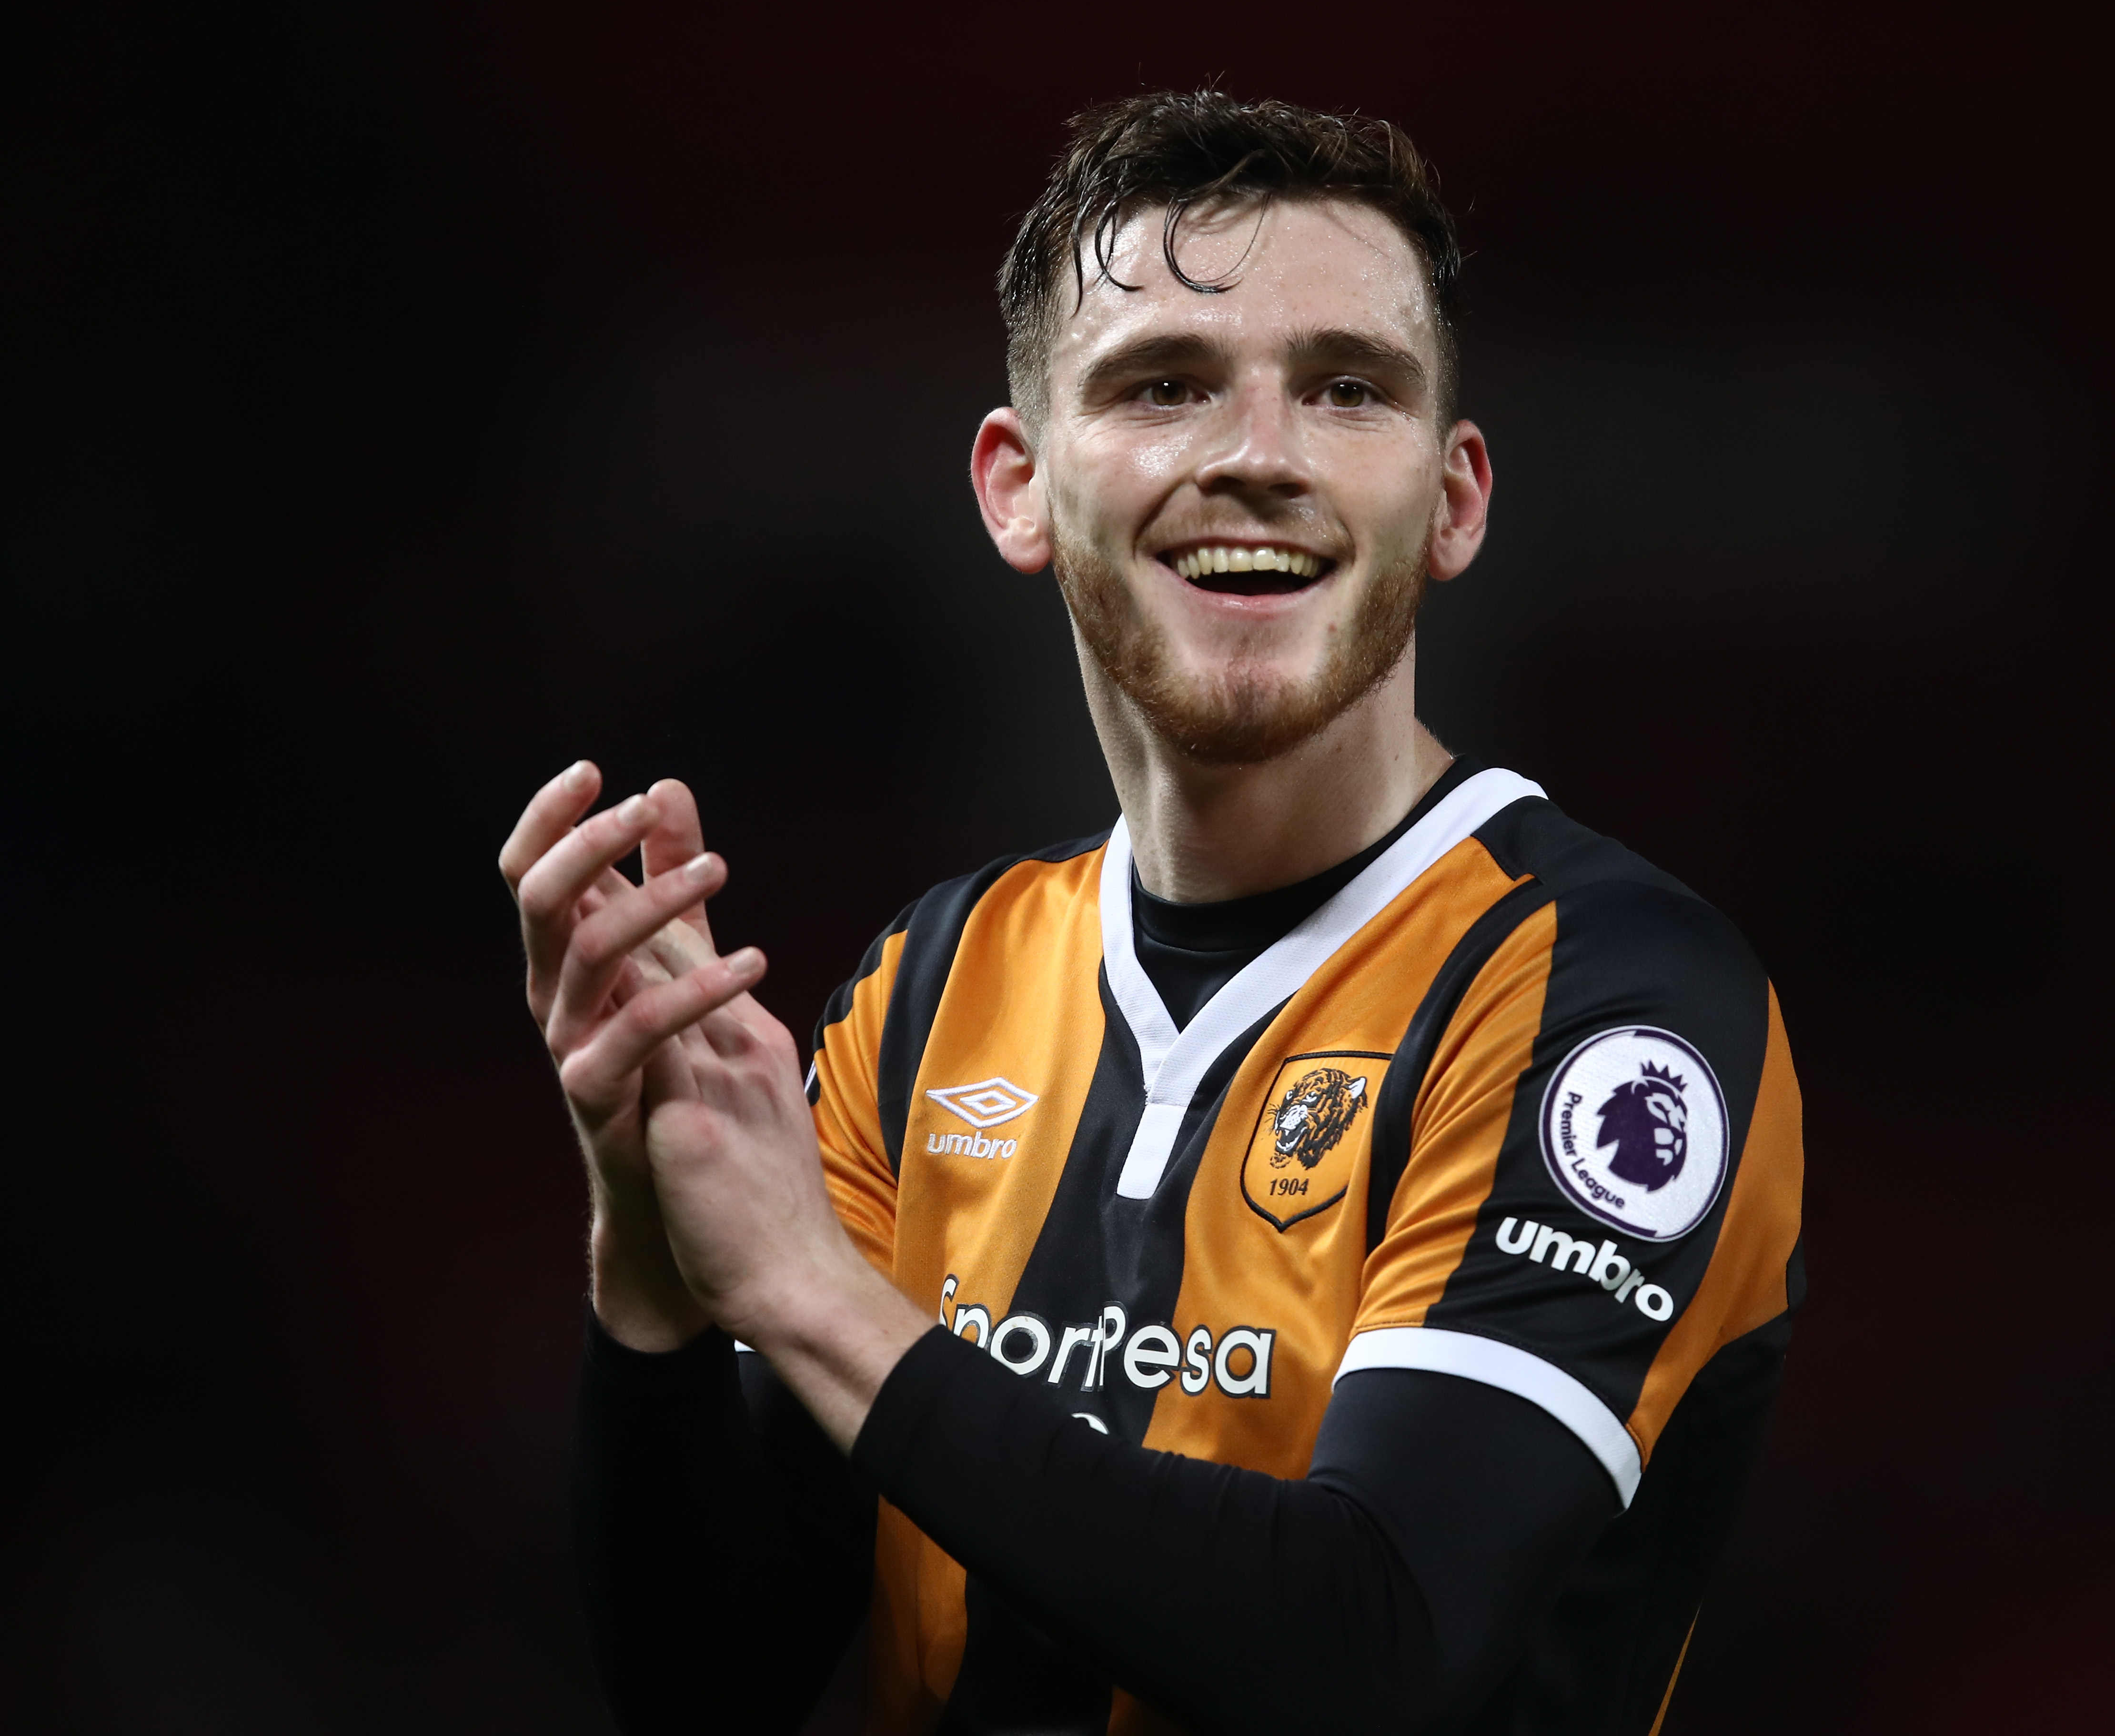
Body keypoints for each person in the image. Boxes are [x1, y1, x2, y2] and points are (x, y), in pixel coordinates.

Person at [498, 91, 1805, 1736]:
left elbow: (1371, 1648)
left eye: (1347, 389)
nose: (1257, 456)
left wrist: (812, 1295)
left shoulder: (1610, 997)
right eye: (1165, 384)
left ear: (1456, 500)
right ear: (1018, 488)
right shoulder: (931, 990)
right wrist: (658, 1271)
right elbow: (708, 1689)